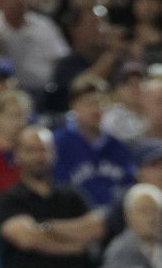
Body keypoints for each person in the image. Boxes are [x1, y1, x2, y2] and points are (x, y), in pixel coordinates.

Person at [0, 125, 104, 268]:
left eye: (44, 149)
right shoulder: (10, 199)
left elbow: (95, 228)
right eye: (31, 150)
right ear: (18, 155)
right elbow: (27, 239)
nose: (39, 157)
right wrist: (75, 247)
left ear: (54, 153)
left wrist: (47, 227)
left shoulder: (72, 195)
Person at [53, 73, 135, 209]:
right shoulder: (59, 143)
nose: (96, 109)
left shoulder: (119, 146)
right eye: (89, 103)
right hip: (74, 218)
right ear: (74, 106)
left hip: (113, 220)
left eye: (101, 102)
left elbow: (128, 188)